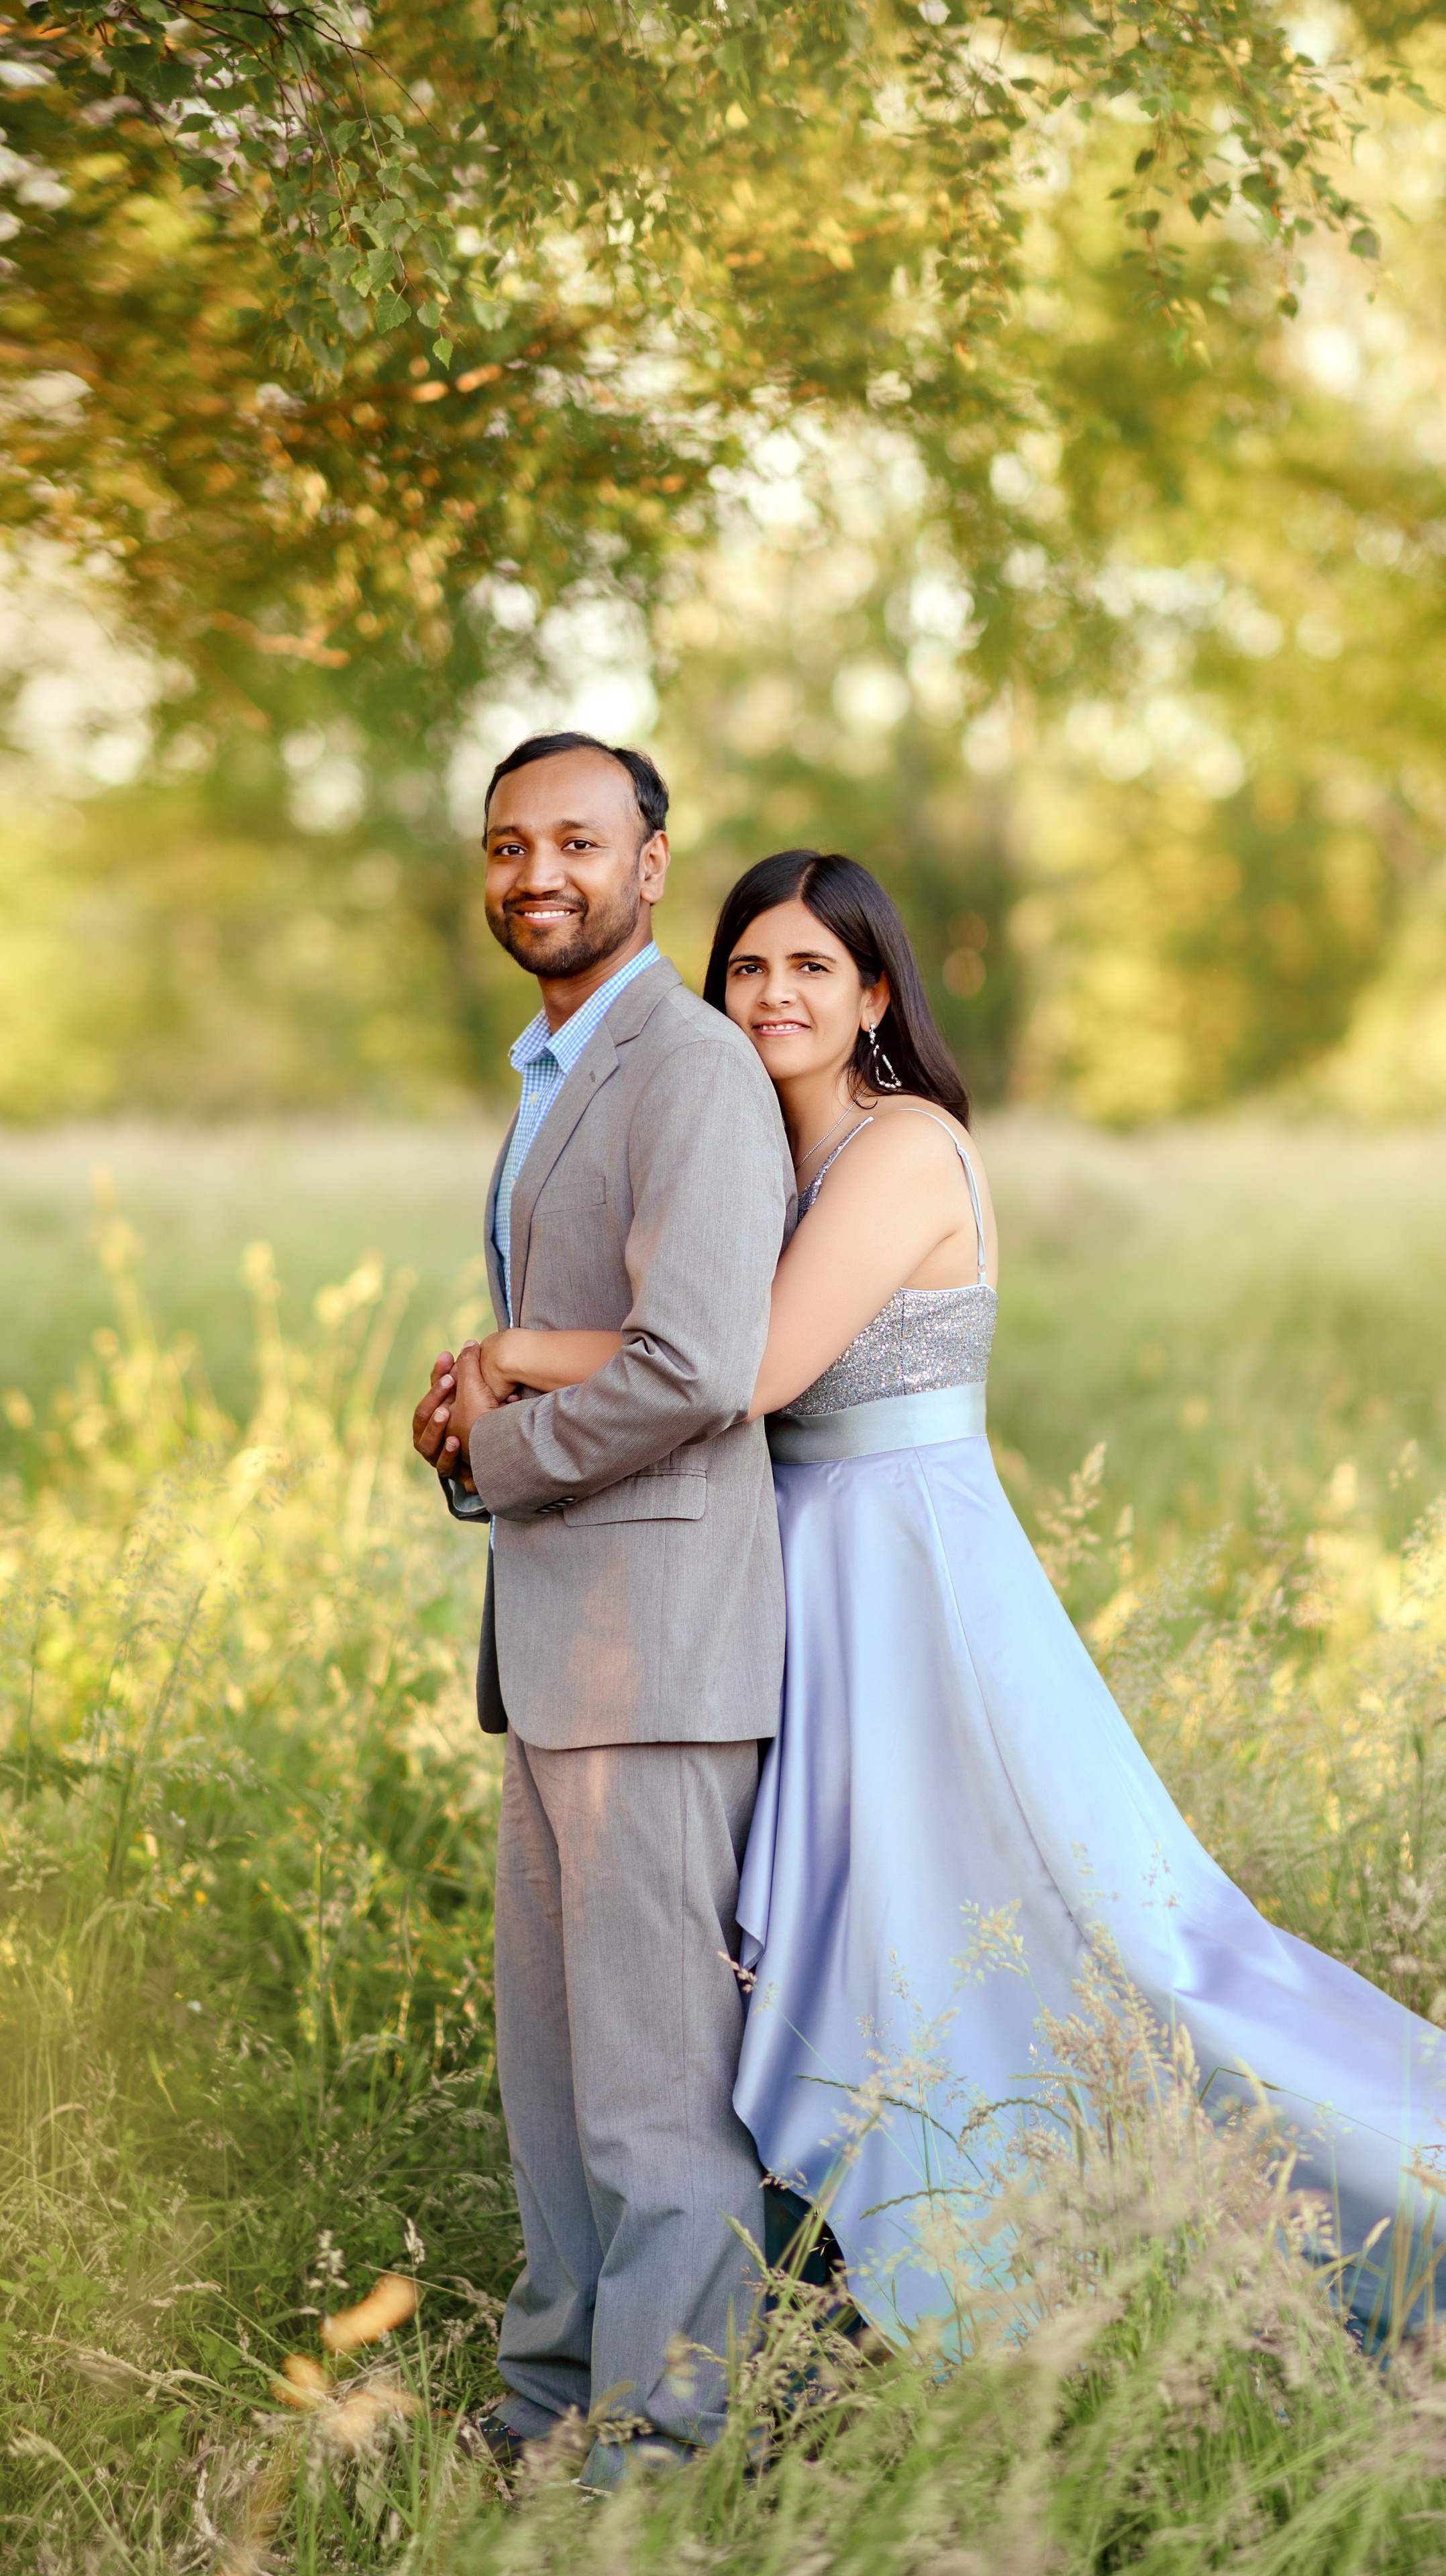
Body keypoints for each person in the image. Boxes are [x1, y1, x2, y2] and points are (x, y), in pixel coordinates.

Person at [475, 847, 1446, 2364]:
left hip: (909, 1590)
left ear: (874, 994)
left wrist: (522, 1352)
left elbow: (742, 1371)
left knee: (1128, 1959)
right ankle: (898, 2289)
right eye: (746, 968)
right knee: (858, 1956)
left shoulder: (904, 1147)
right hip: (787, 1587)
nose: (772, 994)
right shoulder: (761, 1156)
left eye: (811, 967)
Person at [410, 733, 795, 2483]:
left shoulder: (689, 1068)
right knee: (558, 2097)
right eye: (507, 844)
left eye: (576, 839)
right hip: (562, 1652)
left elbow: (703, 1363)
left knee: (653, 2100)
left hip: (657, 1654)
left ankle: (663, 2455)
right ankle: (548, 2415)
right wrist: (468, 1428)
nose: (536, 872)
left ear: (653, 864)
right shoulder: (559, 1063)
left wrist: (506, 1456)